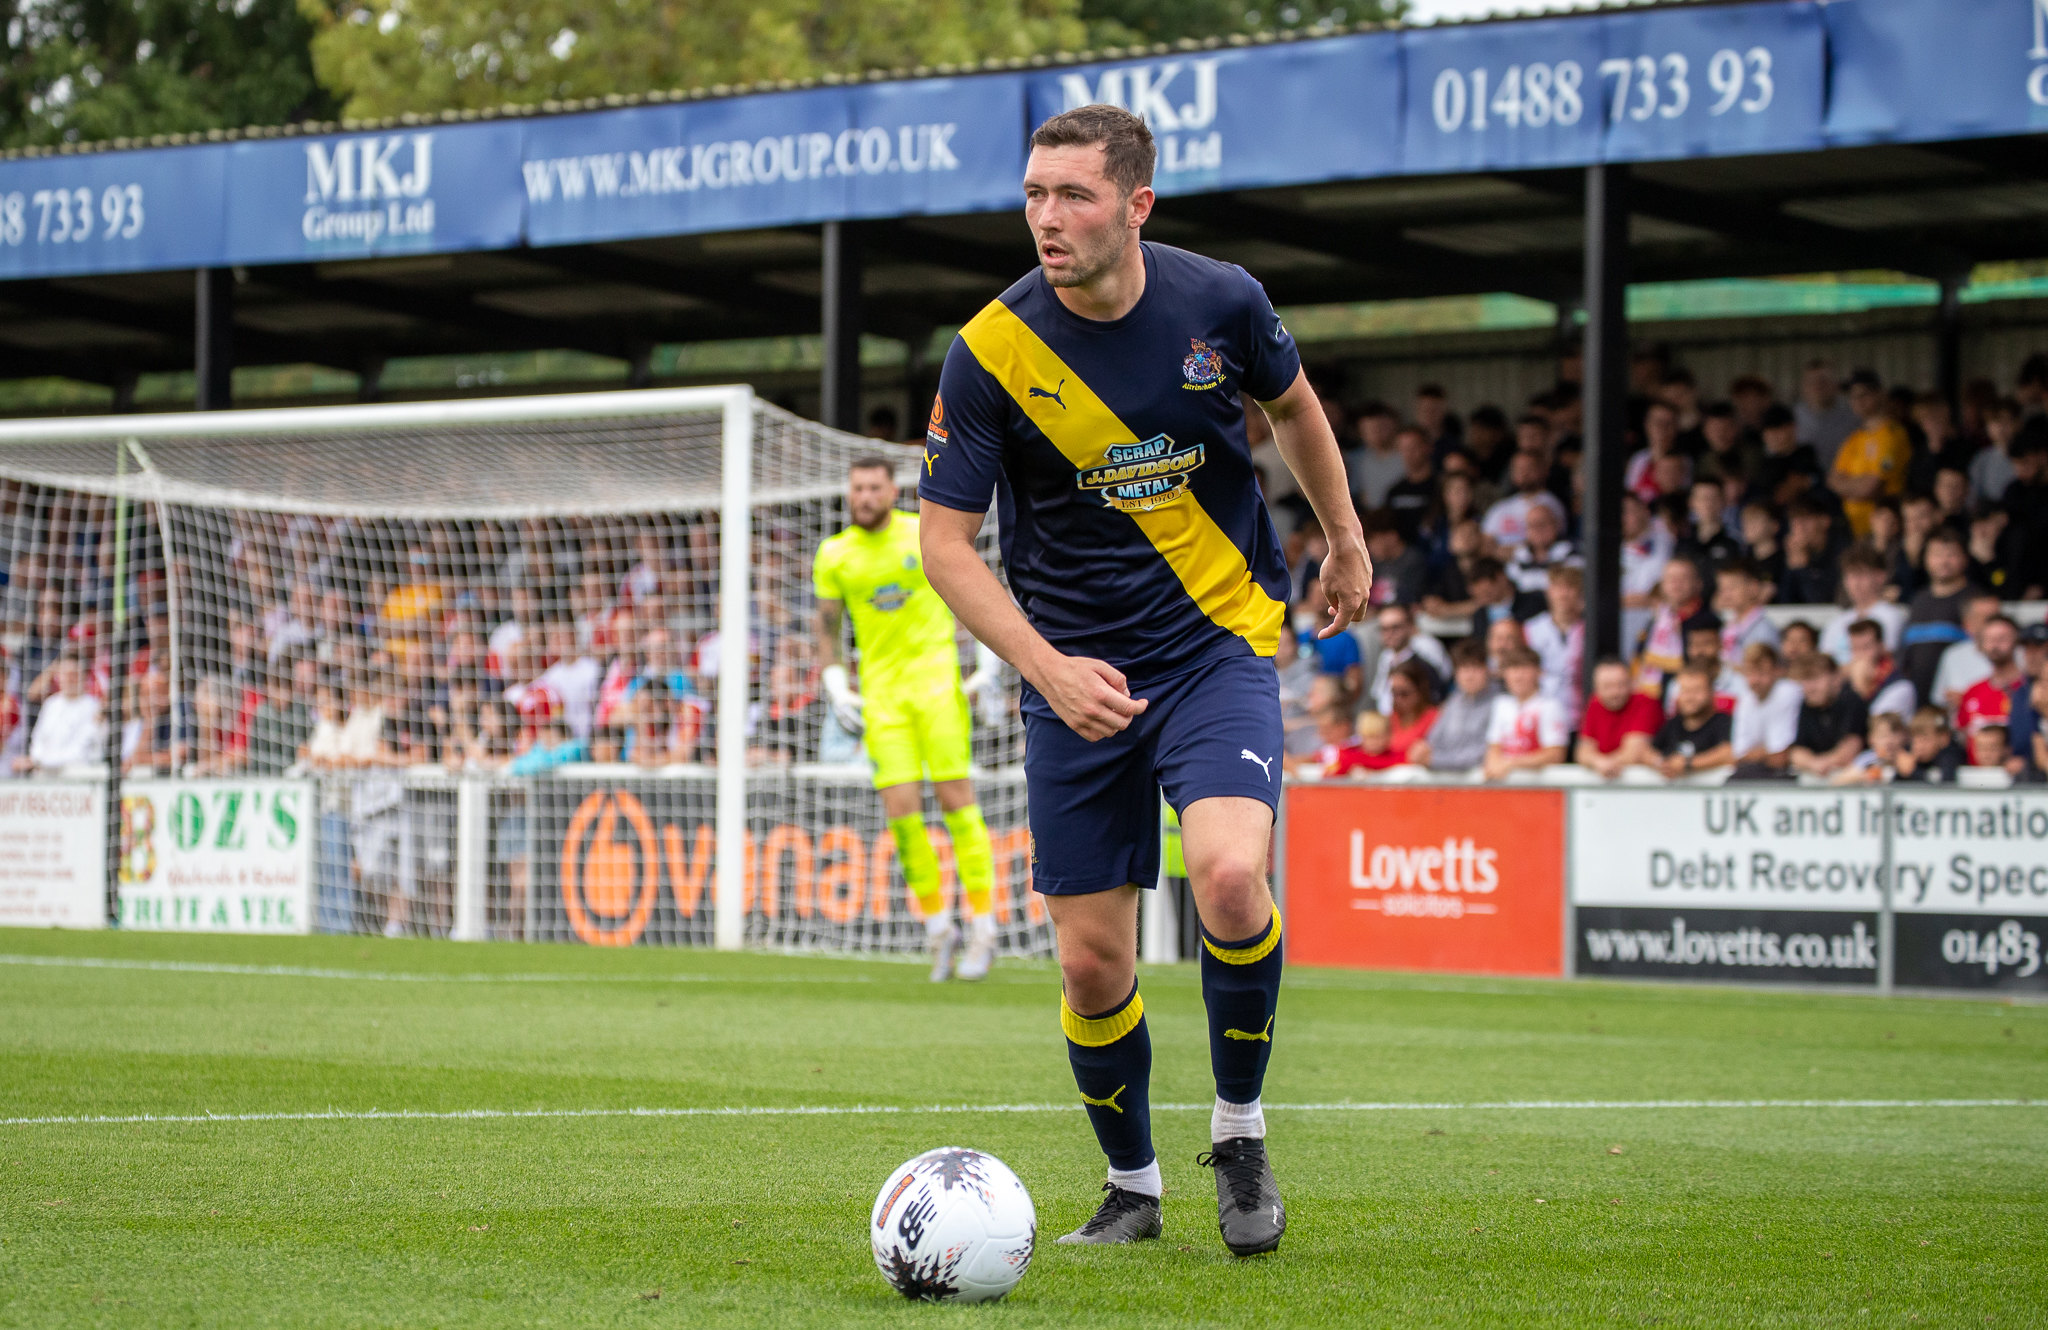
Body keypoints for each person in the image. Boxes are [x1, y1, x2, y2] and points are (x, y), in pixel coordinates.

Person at [916, 105, 1370, 1254]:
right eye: (1031, 194)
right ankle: (1132, 1188)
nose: (1045, 218)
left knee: (1226, 881)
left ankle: (1238, 1132)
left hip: (1213, 643)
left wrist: (1345, 534)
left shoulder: (1218, 300)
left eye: (1070, 194)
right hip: (1070, 673)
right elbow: (944, 544)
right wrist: (1045, 669)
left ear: (1135, 204)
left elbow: (1296, 407)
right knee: (1089, 959)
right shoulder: (990, 352)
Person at [814, 456, 1002, 983]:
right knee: (902, 816)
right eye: (857, 488)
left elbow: (967, 593)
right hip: (882, 700)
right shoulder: (835, 555)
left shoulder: (921, 534)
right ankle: (940, 929)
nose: (865, 496)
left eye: (874, 487)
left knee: (957, 806)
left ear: (891, 488)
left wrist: (987, 661)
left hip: (938, 689)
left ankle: (984, 928)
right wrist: (833, 683)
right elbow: (827, 631)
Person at [1899, 530, 1978, 706]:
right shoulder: (1918, 600)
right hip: (1917, 702)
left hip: (1958, 701)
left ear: (1965, 558)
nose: (1943, 561)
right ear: (1925, 559)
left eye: (1951, 554)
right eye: (1936, 554)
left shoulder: (1975, 600)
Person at [1830, 370, 1912, 539]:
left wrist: (1848, 485)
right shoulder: (1854, 438)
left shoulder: (1892, 434)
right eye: (1853, 397)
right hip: (1854, 529)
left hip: (1884, 531)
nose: (1857, 401)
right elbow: (1833, 481)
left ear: (1879, 394)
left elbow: (1872, 487)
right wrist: (1859, 483)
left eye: (1863, 395)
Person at [1409, 640, 1496, 775]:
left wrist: (1435, 760)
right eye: (1463, 669)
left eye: (1475, 668)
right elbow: (1433, 740)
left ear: (1487, 670)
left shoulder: (1499, 704)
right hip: (1446, 775)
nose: (1469, 676)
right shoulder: (1453, 701)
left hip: (1479, 779)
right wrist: (1422, 750)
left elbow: (1482, 754)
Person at [1481, 646, 1568, 781]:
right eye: (1513, 669)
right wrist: (1494, 765)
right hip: (1504, 789)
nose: (1518, 676)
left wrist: (1511, 764)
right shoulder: (1501, 704)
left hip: (1539, 789)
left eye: (1524, 669)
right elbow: (1493, 746)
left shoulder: (1550, 706)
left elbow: (1555, 754)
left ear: (1539, 672)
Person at [1574, 656, 1663, 779]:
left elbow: (1634, 752)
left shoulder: (1646, 702)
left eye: (1621, 685)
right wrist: (1599, 762)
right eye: (1608, 686)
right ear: (1596, 688)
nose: (1615, 692)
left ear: (1632, 683)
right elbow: (1582, 751)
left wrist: (1603, 763)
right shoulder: (1594, 704)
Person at [1820, 544, 1907, 663]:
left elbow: (1883, 660)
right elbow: (1824, 664)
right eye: (1849, 576)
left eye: (1860, 575)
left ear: (1880, 576)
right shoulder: (1836, 623)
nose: (1855, 583)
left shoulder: (1891, 616)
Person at [15, 653, 101, 773]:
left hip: (78, 778)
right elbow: (38, 740)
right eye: (65, 674)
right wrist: (36, 759)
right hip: (44, 775)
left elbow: (81, 752)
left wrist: (38, 761)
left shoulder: (94, 707)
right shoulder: (51, 704)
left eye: (74, 674)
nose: (69, 679)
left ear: (85, 676)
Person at [1955, 615, 2022, 764]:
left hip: (2018, 781)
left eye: (2002, 638)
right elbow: (1962, 737)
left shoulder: (2027, 690)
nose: (1995, 645)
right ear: (1981, 644)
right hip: (1977, 779)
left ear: (2016, 641)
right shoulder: (1972, 691)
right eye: (1989, 639)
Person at [1787, 653, 1867, 778]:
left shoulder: (1851, 701)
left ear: (1836, 678)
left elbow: (1851, 749)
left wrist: (1823, 763)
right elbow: (1797, 752)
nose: (1810, 688)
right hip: (1818, 774)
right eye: (1806, 680)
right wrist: (1814, 763)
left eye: (1815, 679)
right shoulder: (1807, 705)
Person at [1524, 564, 1585, 726]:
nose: (1563, 594)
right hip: (1541, 715)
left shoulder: (1591, 628)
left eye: (1570, 587)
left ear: (1580, 592)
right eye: (1558, 587)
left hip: (1580, 715)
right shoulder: (1531, 628)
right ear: (1548, 592)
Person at [1729, 643, 1802, 775]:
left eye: (1762, 673)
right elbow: (1737, 756)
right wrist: (1764, 753)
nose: (1755, 680)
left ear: (1777, 670)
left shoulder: (1788, 692)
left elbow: (1780, 757)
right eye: (1750, 673)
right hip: (1754, 772)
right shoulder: (1745, 698)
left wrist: (1755, 754)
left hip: (1787, 774)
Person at [1651, 663, 1735, 779]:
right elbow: (1650, 750)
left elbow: (1730, 753)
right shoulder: (1672, 724)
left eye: (1697, 691)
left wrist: (1688, 764)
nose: (1690, 697)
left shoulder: (1724, 721)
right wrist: (1661, 763)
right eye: (1685, 690)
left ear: (1711, 692)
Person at [1895, 706, 1964, 784]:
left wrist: (1912, 772)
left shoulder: (1951, 754)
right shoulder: (1908, 752)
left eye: (1925, 740)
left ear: (1943, 738)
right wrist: (1900, 771)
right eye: (1915, 740)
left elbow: (1946, 784)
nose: (1919, 746)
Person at [1836, 711, 1908, 785]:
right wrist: (1864, 776)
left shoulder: (1909, 758)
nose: (1889, 742)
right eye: (1883, 736)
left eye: (1894, 735)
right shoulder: (1867, 759)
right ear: (1871, 739)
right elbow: (1839, 781)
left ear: (1904, 736)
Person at [1326, 711, 1403, 777]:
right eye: (1369, 737)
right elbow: (1329, 776)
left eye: (1378, 737)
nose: (1374, 742)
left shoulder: (1397, 758)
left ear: (1389, 735)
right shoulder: (1350, 758)